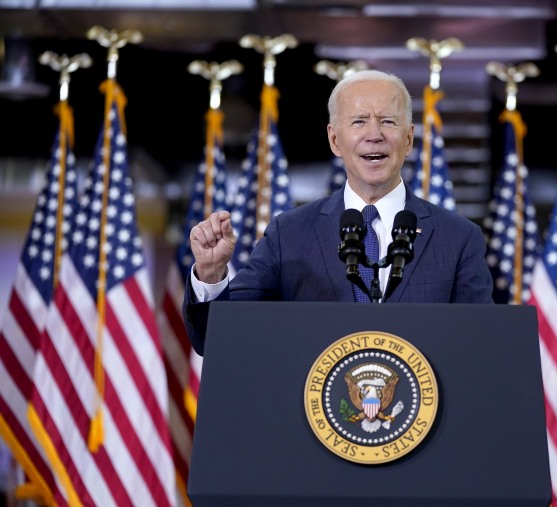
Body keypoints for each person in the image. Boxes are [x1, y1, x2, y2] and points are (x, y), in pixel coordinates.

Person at [184, 69, 493, 355]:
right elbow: (217, 339)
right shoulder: (289, 234)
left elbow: (481, 346)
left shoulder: (459, 238)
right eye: (359, 121)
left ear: (409, 138)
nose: (375, 134)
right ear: (335, 140)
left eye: (388, 121)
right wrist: (211, 276)